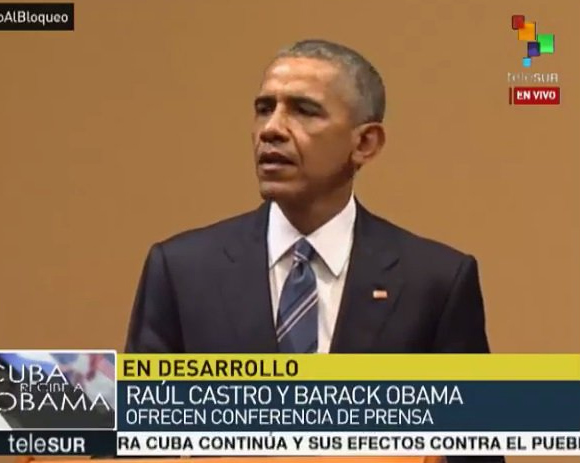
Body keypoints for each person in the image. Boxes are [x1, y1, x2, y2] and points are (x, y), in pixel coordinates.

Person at [125, 39, 504, 463]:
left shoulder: (435, 282)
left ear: (365, 143)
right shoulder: (182, 271)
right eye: (264, 108)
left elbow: (477, 454)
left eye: (304, 111)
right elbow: (138, 444)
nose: (272, 129)